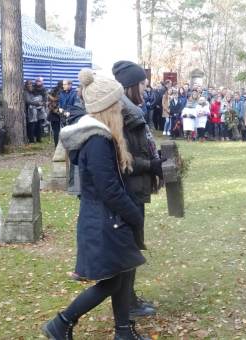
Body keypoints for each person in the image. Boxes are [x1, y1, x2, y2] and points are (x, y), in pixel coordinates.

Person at [43, 68, 149, 340]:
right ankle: (62, 322)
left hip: (106, 218)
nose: (119, 108)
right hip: (105, 220)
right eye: (115, 104)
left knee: (124, 273)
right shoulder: (97, 140)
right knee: (113, 280)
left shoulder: (98, 136)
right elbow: (109, 190)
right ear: (106, 107)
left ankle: (124, 331)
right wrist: (134, 215)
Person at [112, 60, 163, 318]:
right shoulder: (124, 112)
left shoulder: (130, 109)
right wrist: (150, 164)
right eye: (143, 84)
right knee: (129, 248)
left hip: (135, 188)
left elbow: (139, 146)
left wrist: (155, 158)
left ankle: (128, 297)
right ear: (131, 85)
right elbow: (123, 158)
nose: (146, 89)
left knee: (132, 246)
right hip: (130, 189)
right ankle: (127, 304)